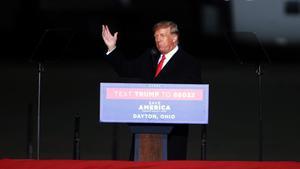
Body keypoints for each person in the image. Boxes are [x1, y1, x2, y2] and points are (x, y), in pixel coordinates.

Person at [101, 21, 202, 160]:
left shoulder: (189, 63)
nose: (158, 39)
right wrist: (112, 47)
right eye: (155, 36)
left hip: (173, 131)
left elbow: (194, 98)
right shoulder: (150, 56)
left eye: (162, 35)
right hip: (145, 129)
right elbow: (125, 69)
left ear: (174, 37)